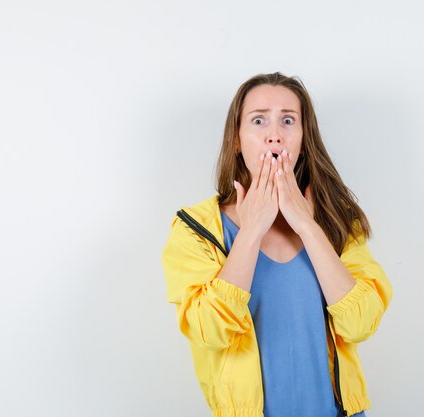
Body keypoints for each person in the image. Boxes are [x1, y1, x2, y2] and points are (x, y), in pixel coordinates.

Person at [161, 72, 393, 417]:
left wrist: (307, 226)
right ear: (237, 140)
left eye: (288, 120)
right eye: (259, 120)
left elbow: (361, 324)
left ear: (303, 138)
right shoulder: (195, 228)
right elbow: (208, 330)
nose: (275, 135)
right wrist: (252, 230)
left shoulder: (338, 221)